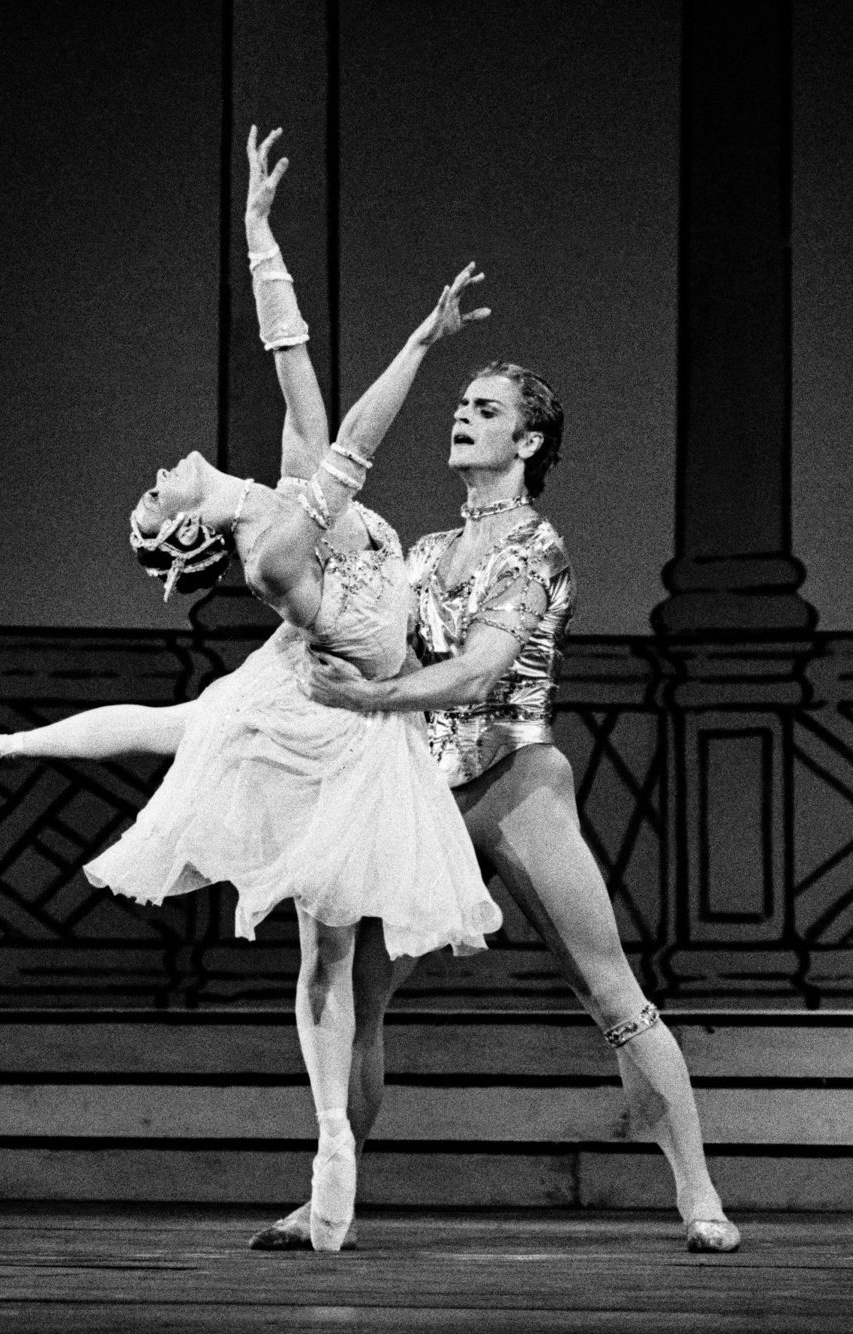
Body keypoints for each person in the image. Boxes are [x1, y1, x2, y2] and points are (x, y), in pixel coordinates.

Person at [0, 127, 501, 1254]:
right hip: (335, 712)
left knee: (217, 783)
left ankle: (333, 1140)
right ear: (191, 526)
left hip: (337, 698)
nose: (164, 467)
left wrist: (257, 231)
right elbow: (357, 435)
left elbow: (294, 366)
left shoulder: (281, 499)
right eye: (157, 492)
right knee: (298, 909)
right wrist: (423, 337)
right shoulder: (280, 542)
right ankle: (331, 1137)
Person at [258, 360, 743, 1256]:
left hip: (517, 781)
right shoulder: (429, 550)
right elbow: (372, 622)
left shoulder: (536, 548)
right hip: (427, 790)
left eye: (486, 410)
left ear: (526, 441)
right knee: (359, 995)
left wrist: (368, 699)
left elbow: (482, 669)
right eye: (460, 406)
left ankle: (700, 1197)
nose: (462, 418)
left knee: (613, 993)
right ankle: (331, 1199)